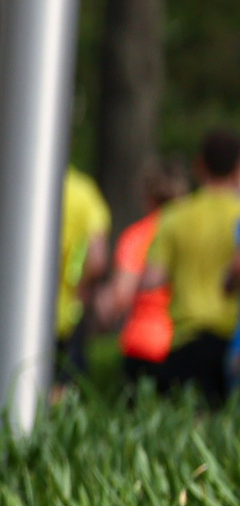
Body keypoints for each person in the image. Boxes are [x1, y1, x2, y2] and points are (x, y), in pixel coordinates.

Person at [0, 160, 111, 385]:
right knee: (56, 392)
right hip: (60, 315)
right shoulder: (84, 191)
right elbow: (97, 260)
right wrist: (79, 292)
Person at [136, 129, 240, 409]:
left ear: (200, 165)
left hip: (187, 338)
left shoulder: (175, 216)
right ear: (237, 168)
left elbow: (151, 278)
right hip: (231, 338)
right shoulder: (238, 215)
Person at [104, 160, 185, 390]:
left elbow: (121, 295)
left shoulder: (135, 236)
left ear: (147, 196)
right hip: (184, 340)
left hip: (142, 343)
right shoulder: (190, 233)